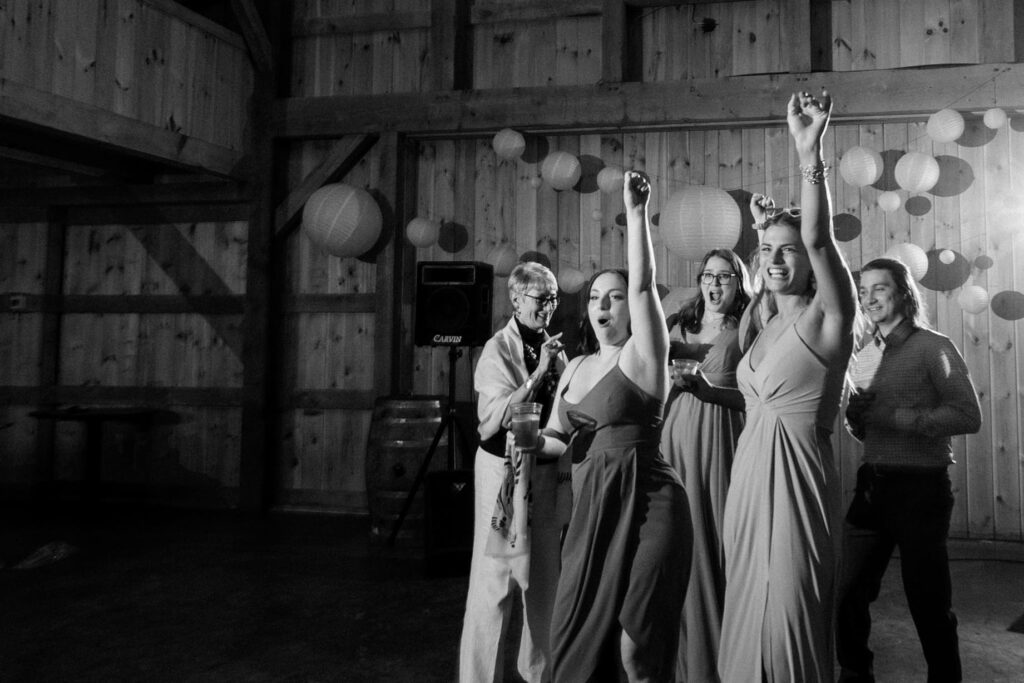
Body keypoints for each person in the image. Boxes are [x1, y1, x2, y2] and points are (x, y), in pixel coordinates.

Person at [717, 89, 857, 683]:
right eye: (767, 251)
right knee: (747, 612)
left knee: (791, 616)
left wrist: (809, 152)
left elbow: (821, 239)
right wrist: (765, 228)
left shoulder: (829, 318)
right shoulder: (765, 321)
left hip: (798, 482)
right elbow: (761, 276)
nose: (775, 259)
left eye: (789, 251)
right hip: (747, 481)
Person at [535, 171, 692, 682]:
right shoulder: (575, 369)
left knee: (636, 648)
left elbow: (645, 281)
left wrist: (636, 213)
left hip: (649, 502)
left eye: (616, 296)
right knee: (577, 641)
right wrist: (527, 442)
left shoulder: (644, 356)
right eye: (597, 297)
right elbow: (557, 439)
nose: (604, 304)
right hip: (592, 510)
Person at [836, 257, 981, 683]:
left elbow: (968, 416)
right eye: (863, 291)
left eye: (879, 288)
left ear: (904, 292)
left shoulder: (935, 347)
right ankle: (855, 672)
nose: (869, 298)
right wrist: (856, 420)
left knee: (928, 601)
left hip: (921, 490)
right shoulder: (863, 357)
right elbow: (866, 429)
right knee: (847, 592)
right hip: (872, 487)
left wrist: (897, 416)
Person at [458, 261, 567, 683]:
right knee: (494, 580)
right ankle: (478, 677)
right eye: (542, 299)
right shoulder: (496, 349)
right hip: (502, 472)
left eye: (554, 299)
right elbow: (495, 417)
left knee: (543, 579)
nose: (549, 308)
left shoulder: (554, 347)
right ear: (517, 299)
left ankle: (539, 672)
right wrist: (539, 376)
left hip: (543, 467)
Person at [660, 248, 752, 682]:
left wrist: (710, 386)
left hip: (724, 435)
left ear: (739, 281)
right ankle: (684, 653)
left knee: (718, 536)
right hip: (677, 436)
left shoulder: (751, 324)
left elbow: (760, 389)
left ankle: (724, 655)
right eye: (708, 276)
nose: (714, 285)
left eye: (725, 277)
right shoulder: (679, 323)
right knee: (680, 539)